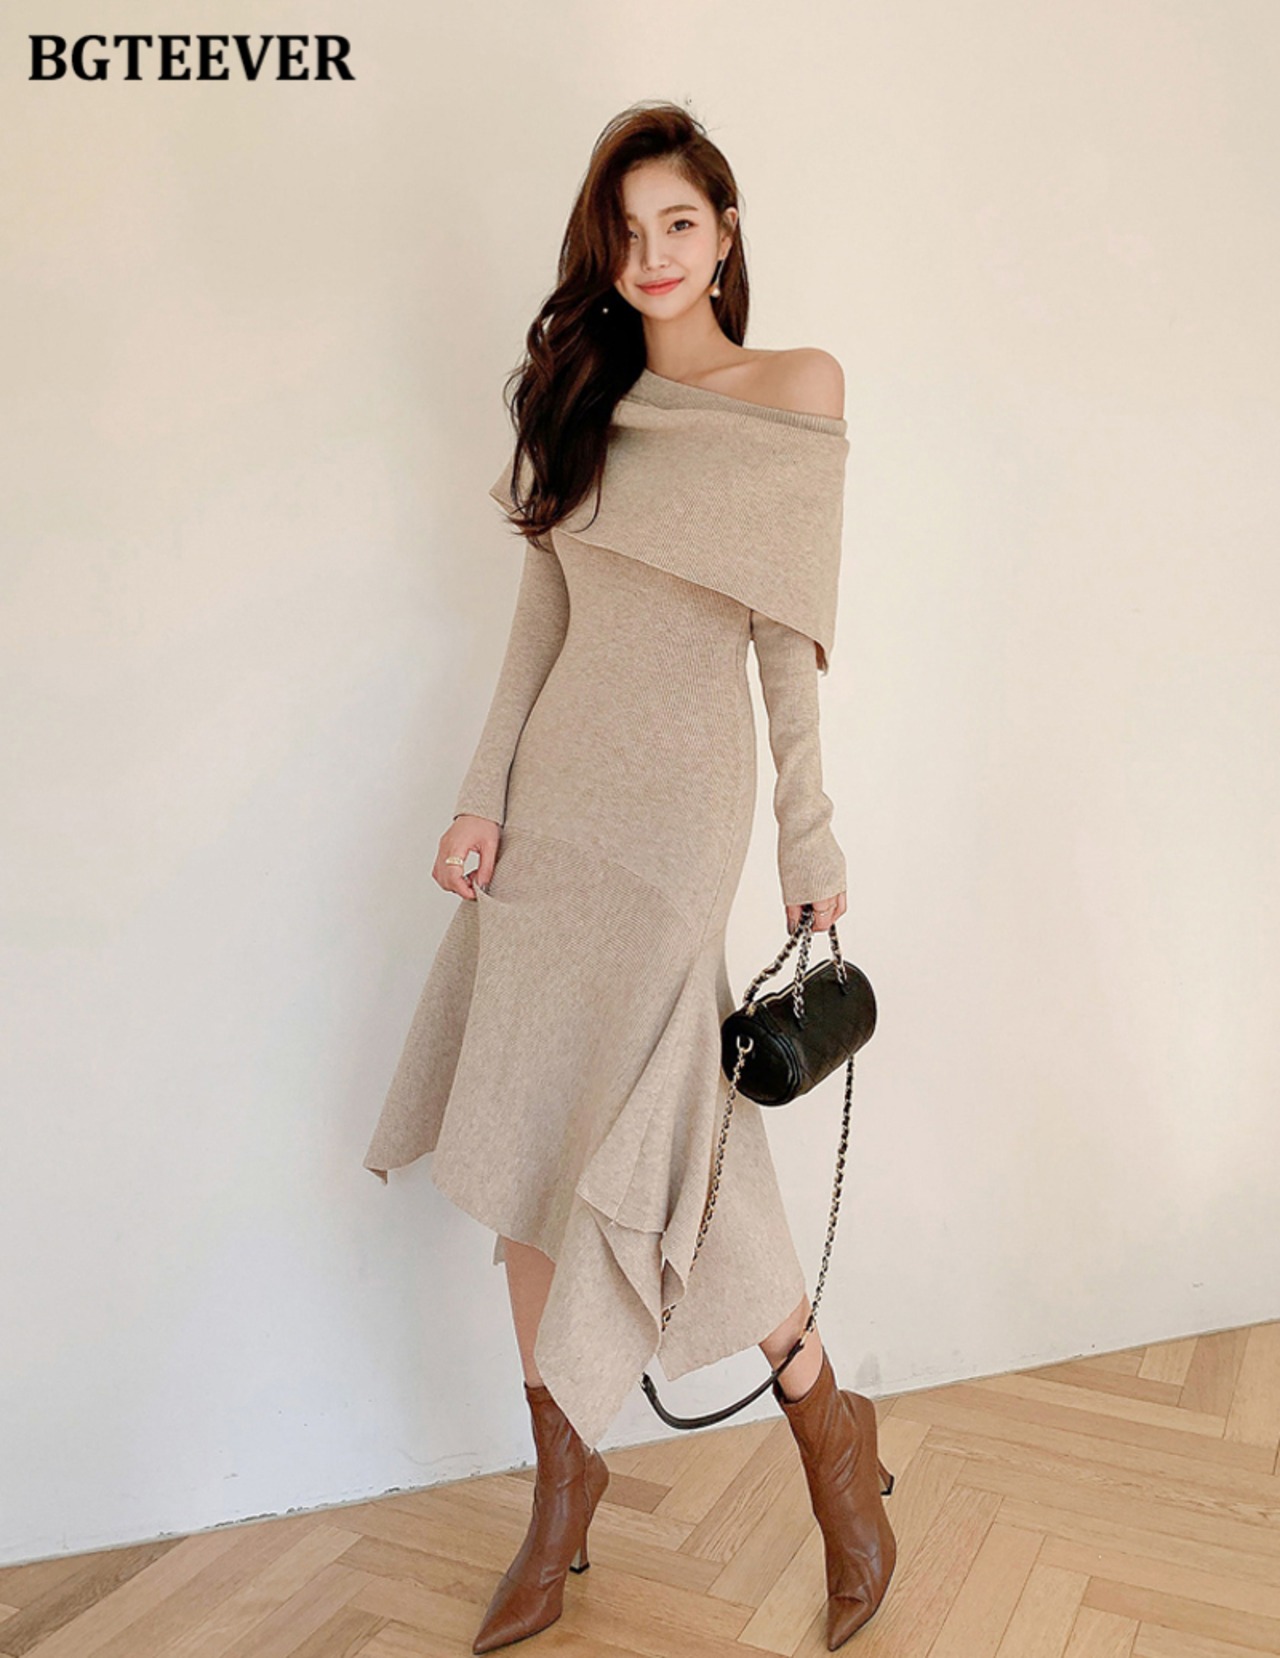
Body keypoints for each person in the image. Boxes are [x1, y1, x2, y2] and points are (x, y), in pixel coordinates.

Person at [362, 100, 896, 1652]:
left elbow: (786, 646)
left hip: (676, 819)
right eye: (628, 229)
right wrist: (482, 800)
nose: (654, 253)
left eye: (680, 223)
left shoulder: (796, 391)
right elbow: (541, 623)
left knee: (677, 1142)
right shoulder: (583, 402)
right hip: (554, 810)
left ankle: (829, 1440)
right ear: (603, 251)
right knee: (533, 1123)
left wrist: (808, 835)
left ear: (724, 236)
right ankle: (564, 1487)